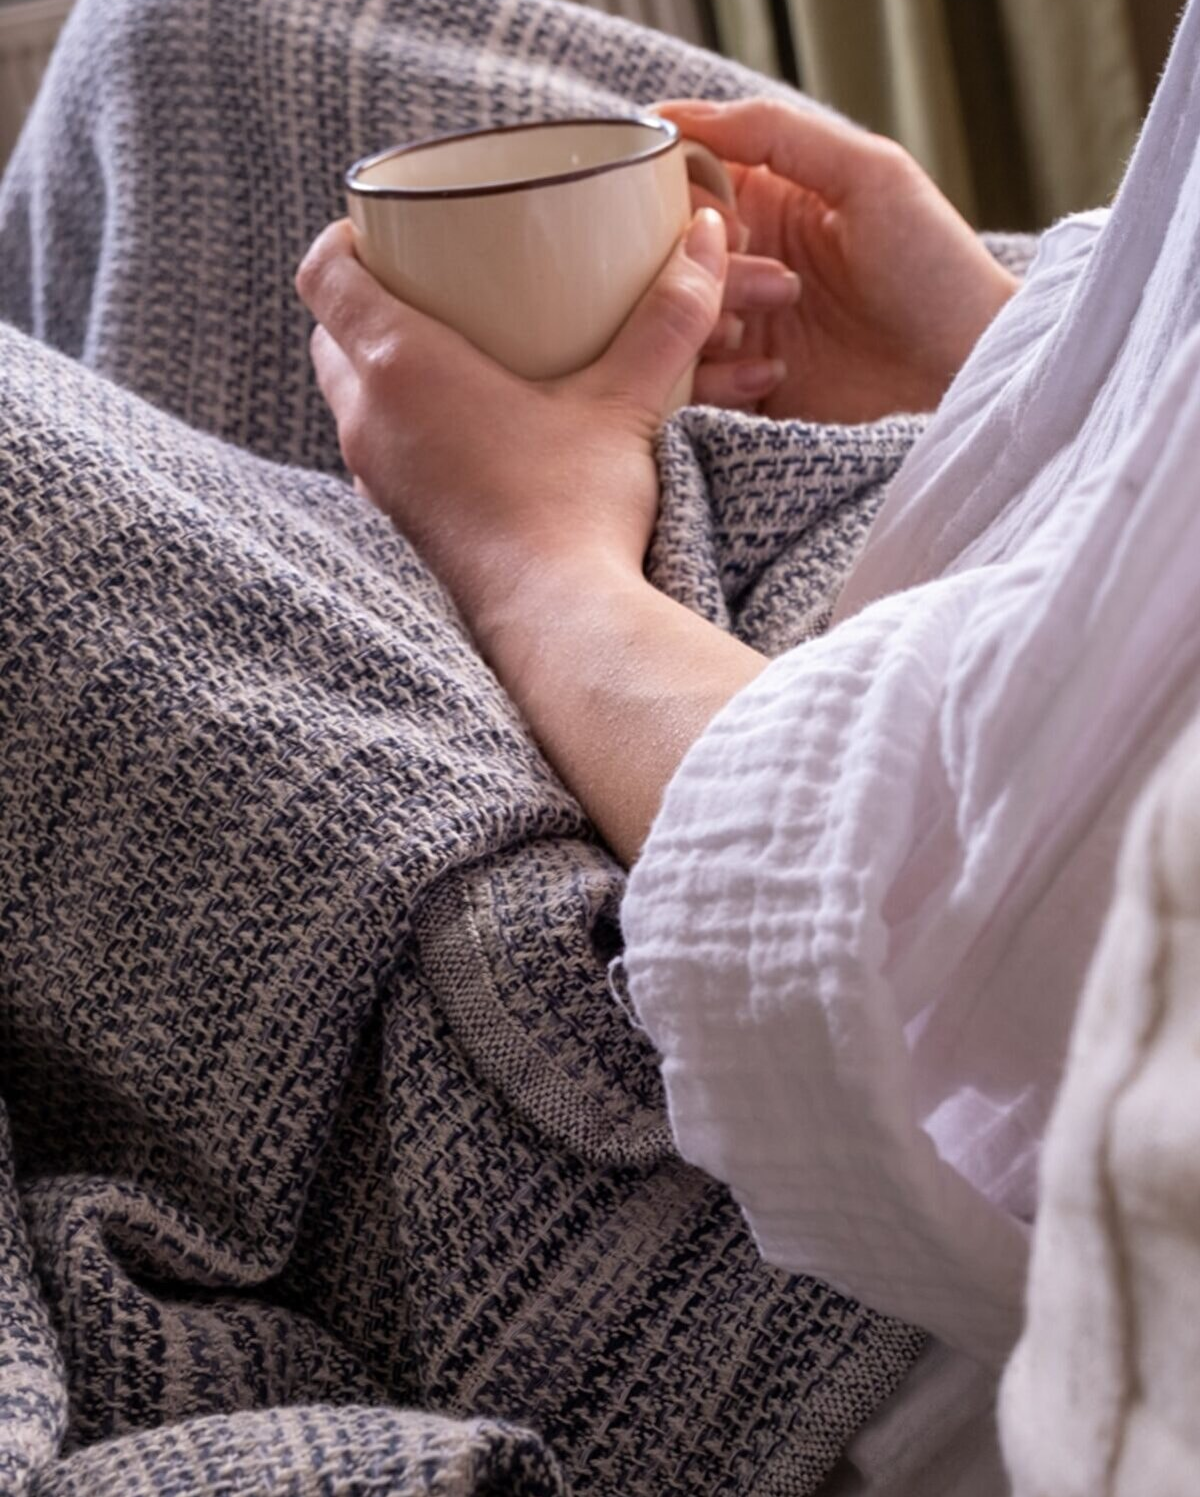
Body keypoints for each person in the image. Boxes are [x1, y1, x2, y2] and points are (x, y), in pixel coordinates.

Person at [2, 0, 1199, 1492]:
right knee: (170, 51)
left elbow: (951, 941)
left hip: (797, 1170)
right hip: (1008, 555)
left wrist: (535, 560)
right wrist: (1027, 362)